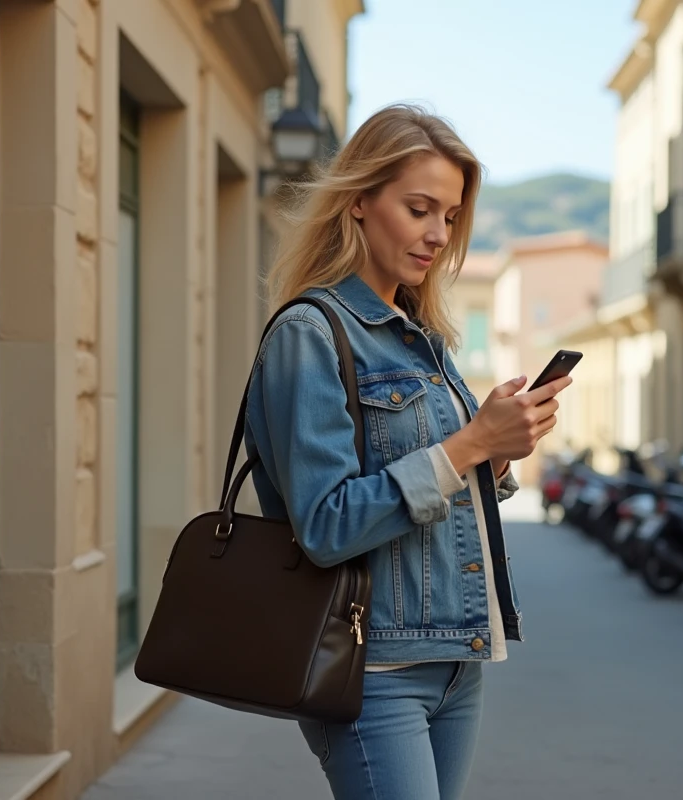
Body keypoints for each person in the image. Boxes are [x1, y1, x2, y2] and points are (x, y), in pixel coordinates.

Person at [244, 104, 572, 799]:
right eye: (419, 208)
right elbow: (327, 524)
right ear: (359, 201)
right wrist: (470, 443)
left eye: (449, 216)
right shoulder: (310, 333)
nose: (437, 235)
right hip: (372, 667)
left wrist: (499, 453)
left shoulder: (423, 338)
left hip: (456, 659)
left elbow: (448, 483)